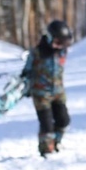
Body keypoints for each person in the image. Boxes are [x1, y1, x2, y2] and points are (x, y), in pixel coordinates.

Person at [21, 19, 74, 157]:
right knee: (46, 124)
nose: (59, 47)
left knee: (64, 120)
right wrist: (24, 85)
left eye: (63, 44)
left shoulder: (62, 51)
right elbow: (26, 71)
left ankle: (56, 142)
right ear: (49, 38)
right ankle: (46, 150)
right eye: (57, 43)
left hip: (58, 92)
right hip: (40, 93)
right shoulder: (37, 52)